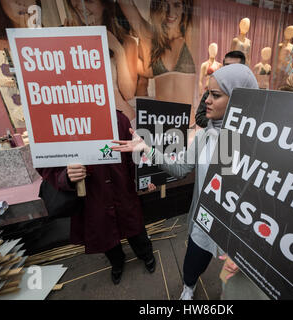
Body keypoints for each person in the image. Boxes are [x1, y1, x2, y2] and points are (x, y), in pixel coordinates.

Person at [111, 63, 259, 300]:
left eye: (215, 95)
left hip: (236, 234)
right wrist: (146, 150)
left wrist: (246, 248)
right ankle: (188, 288)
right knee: (193, 262)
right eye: (207, 93)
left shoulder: (255, 146)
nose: (207, 100)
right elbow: (180, 169)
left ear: (239, 99)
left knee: (230, 281)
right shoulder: (205, 136)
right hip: (204, 221)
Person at [37, 111, 155, 286]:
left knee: (135, 228)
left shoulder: (118, 119)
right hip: (93, 197)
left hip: (123, 190)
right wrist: (66, 176)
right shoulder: (60, 124)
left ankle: (146, 254)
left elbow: (133, 156)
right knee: (105, 234)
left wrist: (144, 178)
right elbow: (46, 164)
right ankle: (117, 262)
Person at [68, 0, 139, 122]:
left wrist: (118, 50)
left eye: (89, 2)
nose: (80, 6)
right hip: (85, 122)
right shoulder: (68, 39)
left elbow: (128, 93)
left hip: (119, 121)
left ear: (105, 5)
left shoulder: (127, 42)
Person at [118, 0, 196, 109]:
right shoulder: (151, 38)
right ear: (158, 7)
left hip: (187, 123)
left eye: (176, 5)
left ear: (184, 8)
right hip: (159, 121)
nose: (170, 12)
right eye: (165, 5)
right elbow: (126, 4)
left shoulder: (191, 34)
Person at [195, 51, 246, 128]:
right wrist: (217, 124)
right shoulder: (213, 89)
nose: (229, 70)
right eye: (227, 66)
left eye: (234, 67)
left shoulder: (248, 93)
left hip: (236, 137)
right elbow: (200, 117)